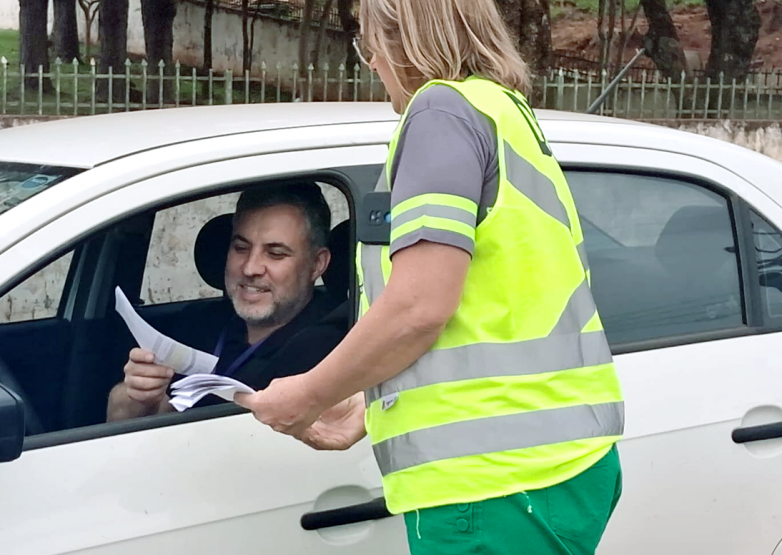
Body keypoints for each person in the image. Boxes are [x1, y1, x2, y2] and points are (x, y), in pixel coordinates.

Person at [235, 1, 625, 554]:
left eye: (368, 41)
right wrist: (366, 400)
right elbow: (490, 313)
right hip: (549, 465)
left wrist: (310, 394)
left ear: (404, 36)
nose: (370, 61)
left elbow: (420, 306)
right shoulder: (501, 112)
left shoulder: (439, 113)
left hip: (492, 483)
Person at [106, 182, 346, 422]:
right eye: (241, 248)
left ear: (317, 264)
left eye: (275, 254)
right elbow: (126, 429)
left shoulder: (331, 348)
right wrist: (138, 395)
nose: (250, 268)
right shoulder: (198, 323)